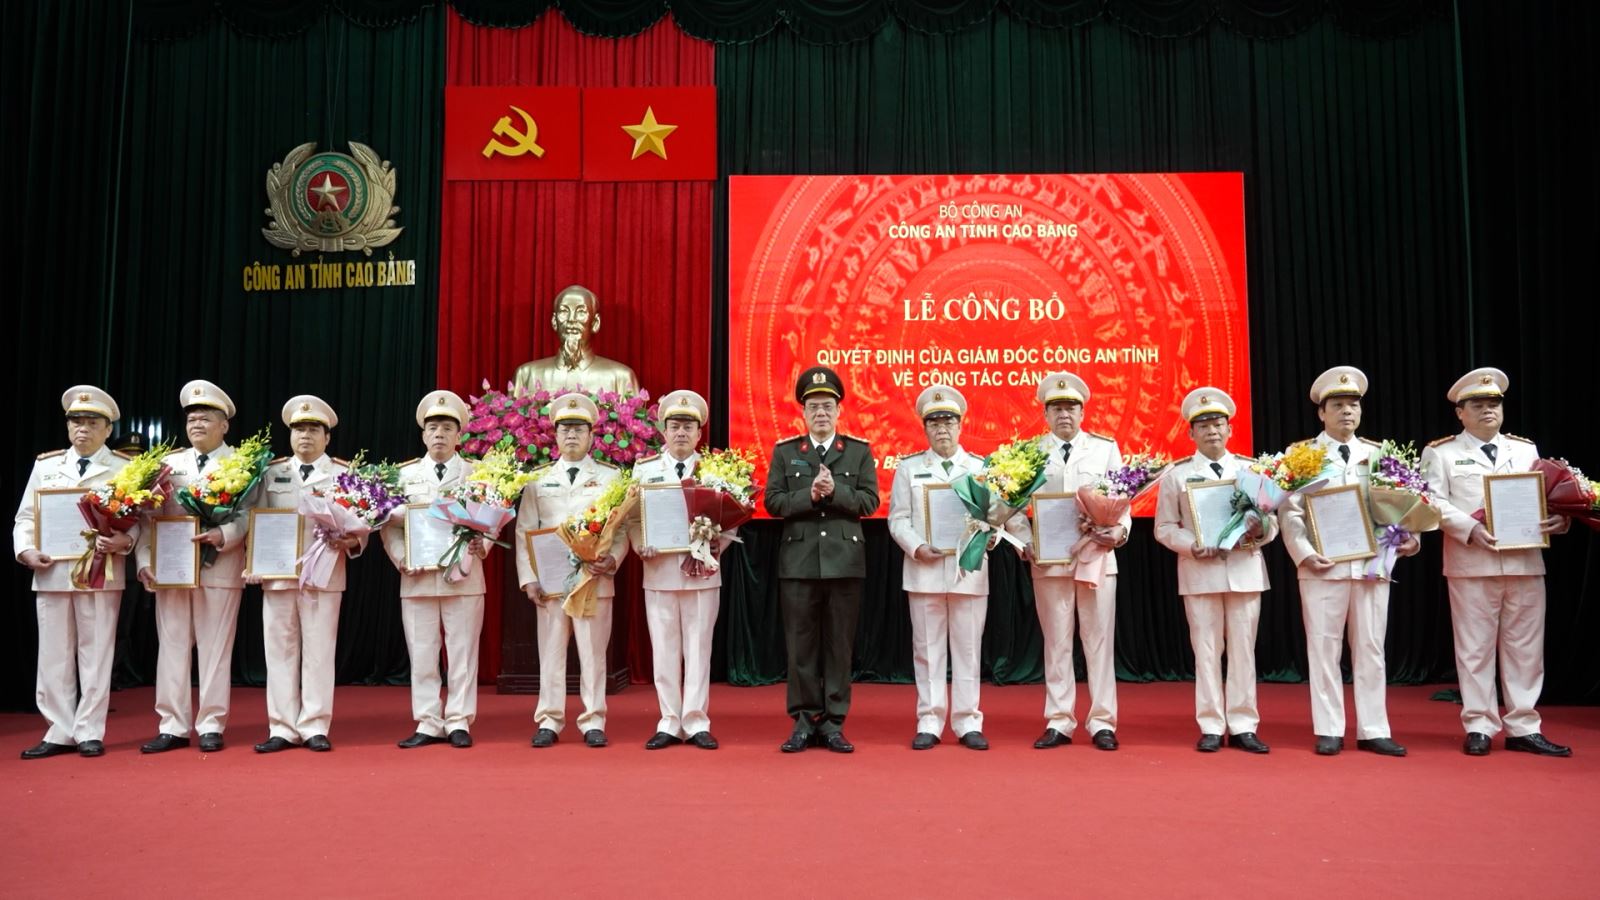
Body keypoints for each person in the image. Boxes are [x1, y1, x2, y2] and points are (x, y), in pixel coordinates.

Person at [1420, 367, 1571, 756]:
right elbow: (1432, 501)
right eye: (1478, 405)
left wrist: (1560, 519)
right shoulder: (1441, 452)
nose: (1488, 410)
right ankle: (1480, 724)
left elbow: (1543, 498)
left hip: (1524, 560)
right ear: (1460, 412)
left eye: (1494, 404)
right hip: (1472, 560)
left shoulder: (1524, 449)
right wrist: (1468, 529)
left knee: (1526, 646)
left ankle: (1523, 724)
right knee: (1474, 647)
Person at [1278, 366, 1417, 757]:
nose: (1347, 412)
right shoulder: (1301, 455)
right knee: (1323, 647)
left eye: (1353, 405)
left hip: (1372, 565)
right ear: (1321, 413)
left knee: (1372, 647)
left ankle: (1374, 728)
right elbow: (1289, 513)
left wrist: (1409, 539)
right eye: (1337, 405)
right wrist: (1305, 554)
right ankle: (1329, 727)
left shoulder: (1378, 455)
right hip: (1323, 567)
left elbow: (1403, 506)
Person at [14, 386, 135, 758]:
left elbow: (141, 521)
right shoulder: (46, 466)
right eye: (76, 421)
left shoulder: (124, 468)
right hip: (52, 572)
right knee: (53, 654)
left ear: (107, 429)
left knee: (96, 651)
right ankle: (58, 729)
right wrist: (26, 550)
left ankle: (89, 730)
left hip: (101, 571)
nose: (82, 428)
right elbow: (26, 517)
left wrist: (125, 540)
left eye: (91, 422)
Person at [1152, 387, 1275, 754]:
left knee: (1243, 651)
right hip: (1200, 571)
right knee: (1206, 650)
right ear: (1191, 433)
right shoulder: (1177, 475)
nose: (1212, 431)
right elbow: (1164, 527)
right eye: (1203, 425)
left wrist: (1260, 529)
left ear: (1229, 429)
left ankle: (1243, 724)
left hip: (1244, 569)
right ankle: (1210, 724)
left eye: (1218, 424)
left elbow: (1273, 523)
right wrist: (1191, 544)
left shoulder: (1251, 470)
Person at [764, 366, 879, 753]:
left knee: (838, 645)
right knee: (800, 645)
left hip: (844, 562)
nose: (821, 413)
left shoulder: (859, 451)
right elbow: (774, 502)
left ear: (838, 410)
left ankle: (832, 723)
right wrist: (809, 497)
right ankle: (802, 720)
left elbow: (870, 502)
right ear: (803, 412)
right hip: (798, 563)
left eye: (828, 406)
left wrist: (835, 492)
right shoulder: (786, 452)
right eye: (814, 407)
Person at [135, 380, 251, 754]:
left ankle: (212, 723)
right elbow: (147, 517)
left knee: (216, 648)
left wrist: (224, 534)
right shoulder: (167, 465)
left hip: (220, 565)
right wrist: (143, 562)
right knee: (171, 645)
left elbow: (253, 516)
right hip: (172, 568)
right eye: (192, 418)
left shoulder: (243, 463)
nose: (197, 423)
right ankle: (172, 724)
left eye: (206, 417)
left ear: (225, 425)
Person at [250, 396, 362, 753]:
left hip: (325, 575)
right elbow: (254, 520)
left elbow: (362, 529)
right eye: (299, 429)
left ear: (327, 437)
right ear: (290, 434)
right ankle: (281, 726)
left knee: (318, 652)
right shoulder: (271, 472)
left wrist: (353, 541)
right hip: (279, 575)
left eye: (314, 429)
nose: (306, 436)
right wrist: (254, 561)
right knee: (279, 651)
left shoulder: (345, 474)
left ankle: (315, 724)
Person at [516, 393, 629, 748]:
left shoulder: (611, 478)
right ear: (555, 434)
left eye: (579, 429)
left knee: (593, 652)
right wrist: (528, 577)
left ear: (592, 435)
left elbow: (622, 528)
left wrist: (614, 559)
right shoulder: (538, 479)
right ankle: (549, 718)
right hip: (550, 579)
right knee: (550, 651)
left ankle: (593, 718)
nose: (571, 436)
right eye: (564, 429)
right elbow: (524, 530)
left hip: (592, 577)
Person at [1023, 372, 1128, 751]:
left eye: (1070, 407)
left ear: (1082, 411)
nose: (1064, 414)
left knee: (1099, 641)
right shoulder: (1030, 453)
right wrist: (1024, 541)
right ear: (1046, 414)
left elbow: (1122, 499)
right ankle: (1059, 720)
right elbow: (1015, 509)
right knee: (1056, 642)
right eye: (1056, 408)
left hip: (1097, 559)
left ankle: (1103, 721)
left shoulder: (1104, 449)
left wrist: (1119, 531)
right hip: (1049, 562)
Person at [887, 384, 995, 750]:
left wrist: (990, 537)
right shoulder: (909, 468)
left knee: (968, 649)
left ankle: (968, 721)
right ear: (925, 428)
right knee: (927, 649)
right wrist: (917, 546)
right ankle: (930, 719)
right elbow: (898, 518)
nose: (942, 429)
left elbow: (995, 519)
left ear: (961, 426)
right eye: (934, 423)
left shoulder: (981, 468)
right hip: (925, 570)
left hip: (969, 571)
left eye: (948, 421)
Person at [382, 391, 487, 749]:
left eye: (447, 427)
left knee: (461, 652)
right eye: (432, 427)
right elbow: (390, 527)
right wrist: (401, 558)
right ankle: (428, 720)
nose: (439, 433)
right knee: (423, 652)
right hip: (418, 578)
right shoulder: (404, 475)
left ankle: (459, 719)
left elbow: (490, 523)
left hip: (465, 577)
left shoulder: (477, 473)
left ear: (460, 435)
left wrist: (482, 544)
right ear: (423, 435)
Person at [627, 390, 728, 750]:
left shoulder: (716, 471)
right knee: (664, 650)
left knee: (700, 649)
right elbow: (632, 518)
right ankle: (669, 720)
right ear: (663, 431)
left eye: (688, 426)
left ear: (699, 433)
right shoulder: (646, 469)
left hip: (702, 573)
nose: (681, 432)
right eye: (674, 425)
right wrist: (641, 544)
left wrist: (711, 544)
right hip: (659, 572)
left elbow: (730, 522)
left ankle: (697, 720)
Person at [511, 285, 639, 394]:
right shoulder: (527, 375)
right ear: (554, 321)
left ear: (595, 323)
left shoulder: (621, 378)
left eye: (581, 312)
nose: (571, 319)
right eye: (564, 312)